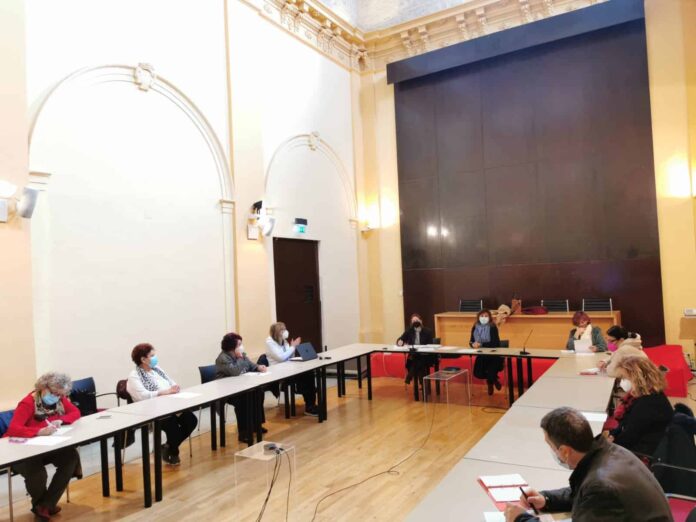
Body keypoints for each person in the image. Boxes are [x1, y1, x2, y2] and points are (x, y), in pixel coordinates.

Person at [504, 407, 672, 522]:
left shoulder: (601, 486)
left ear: (565, 451)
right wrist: (546, 499)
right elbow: (584, 494)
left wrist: (521, 519)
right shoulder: (609, 452)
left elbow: (594, 493)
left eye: (551, 446)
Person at [4, 372, 82, 521]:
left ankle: (45, 505)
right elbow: (14, 429)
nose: (57, 397)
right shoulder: (28, 403)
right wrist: (38, 431)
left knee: (71, 457)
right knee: (37, 473)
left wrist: (61, 420)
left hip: (45, 447)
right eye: (55, 393)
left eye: (61, 395)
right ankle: (44, 505)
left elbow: (75, 412)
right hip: (20, 450)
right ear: (43, 387)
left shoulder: (60, 399)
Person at [127, 343, 198, 465]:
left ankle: (167, 447)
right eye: (152, 356)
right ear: (143, 359)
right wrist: (164, 392)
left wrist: (174, 387)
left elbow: (170, 382)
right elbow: (143, 396)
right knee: (173, 427)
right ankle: (173, 452)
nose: (155, 358)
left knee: (191, 420)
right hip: (152, 411)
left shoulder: (157, 370)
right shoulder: (134, 376)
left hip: (171, 405)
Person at [607, 356, 673, 457]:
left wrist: (609, 444)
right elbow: (627, 423)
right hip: (641, 442)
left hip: (643, 452)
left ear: (638, 379)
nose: (623, 382)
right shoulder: (647, 394)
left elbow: (629, 438)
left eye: (625, 378)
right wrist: (613, 434)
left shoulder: (648, 404)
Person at [215, 332, 268, 441]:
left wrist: (258, 367)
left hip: (241, 387)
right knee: (243, 400)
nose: (241, 347)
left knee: (258, 392)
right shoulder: (223, 358)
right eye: (239, 344)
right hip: (228, 391)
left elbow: (251, 365)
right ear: (232, 346)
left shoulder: (241, 355)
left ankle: (256, 425)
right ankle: (243, 432)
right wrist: (240, 359)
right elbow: (235, 371)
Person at [266, 322, 318, 416]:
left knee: (308, 373)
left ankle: (311, 404)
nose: (285, 331)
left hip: (288, 369)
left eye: (285, 329)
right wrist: (293, 347)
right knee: (305, 376)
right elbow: (281, 358)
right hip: (278, 373)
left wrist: (292, 347)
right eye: (282, 330)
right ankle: (309, 405)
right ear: (277, 332)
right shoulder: (270, 342)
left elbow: (290, 357)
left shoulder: (284, 341)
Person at [470, 309, 503, 395]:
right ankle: (494, 379)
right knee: (477, 373)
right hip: (482, 354)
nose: (484, 318)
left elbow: (494, 343)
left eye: (486, 316)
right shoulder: (475, 327)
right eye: (482, 316)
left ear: (489, 318)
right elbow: (471, 341)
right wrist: (473, 344)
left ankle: (490, 382)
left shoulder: (492, 327)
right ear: (478, 317)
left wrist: (480, 344)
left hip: (494, 354)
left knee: (491, 368)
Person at [396, 313, 435, 385]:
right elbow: (400, 339)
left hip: (425, 355)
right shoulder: (409, 331)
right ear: (411, 323)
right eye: (413, 321)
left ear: (421, 321)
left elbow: (430, 345)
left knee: (418, 361)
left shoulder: (427, 331)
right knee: (418, 362)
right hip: (414, 355)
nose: (415, 322)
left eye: (417, 320)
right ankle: (424, 386)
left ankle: (410, 376)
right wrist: (399, 342)